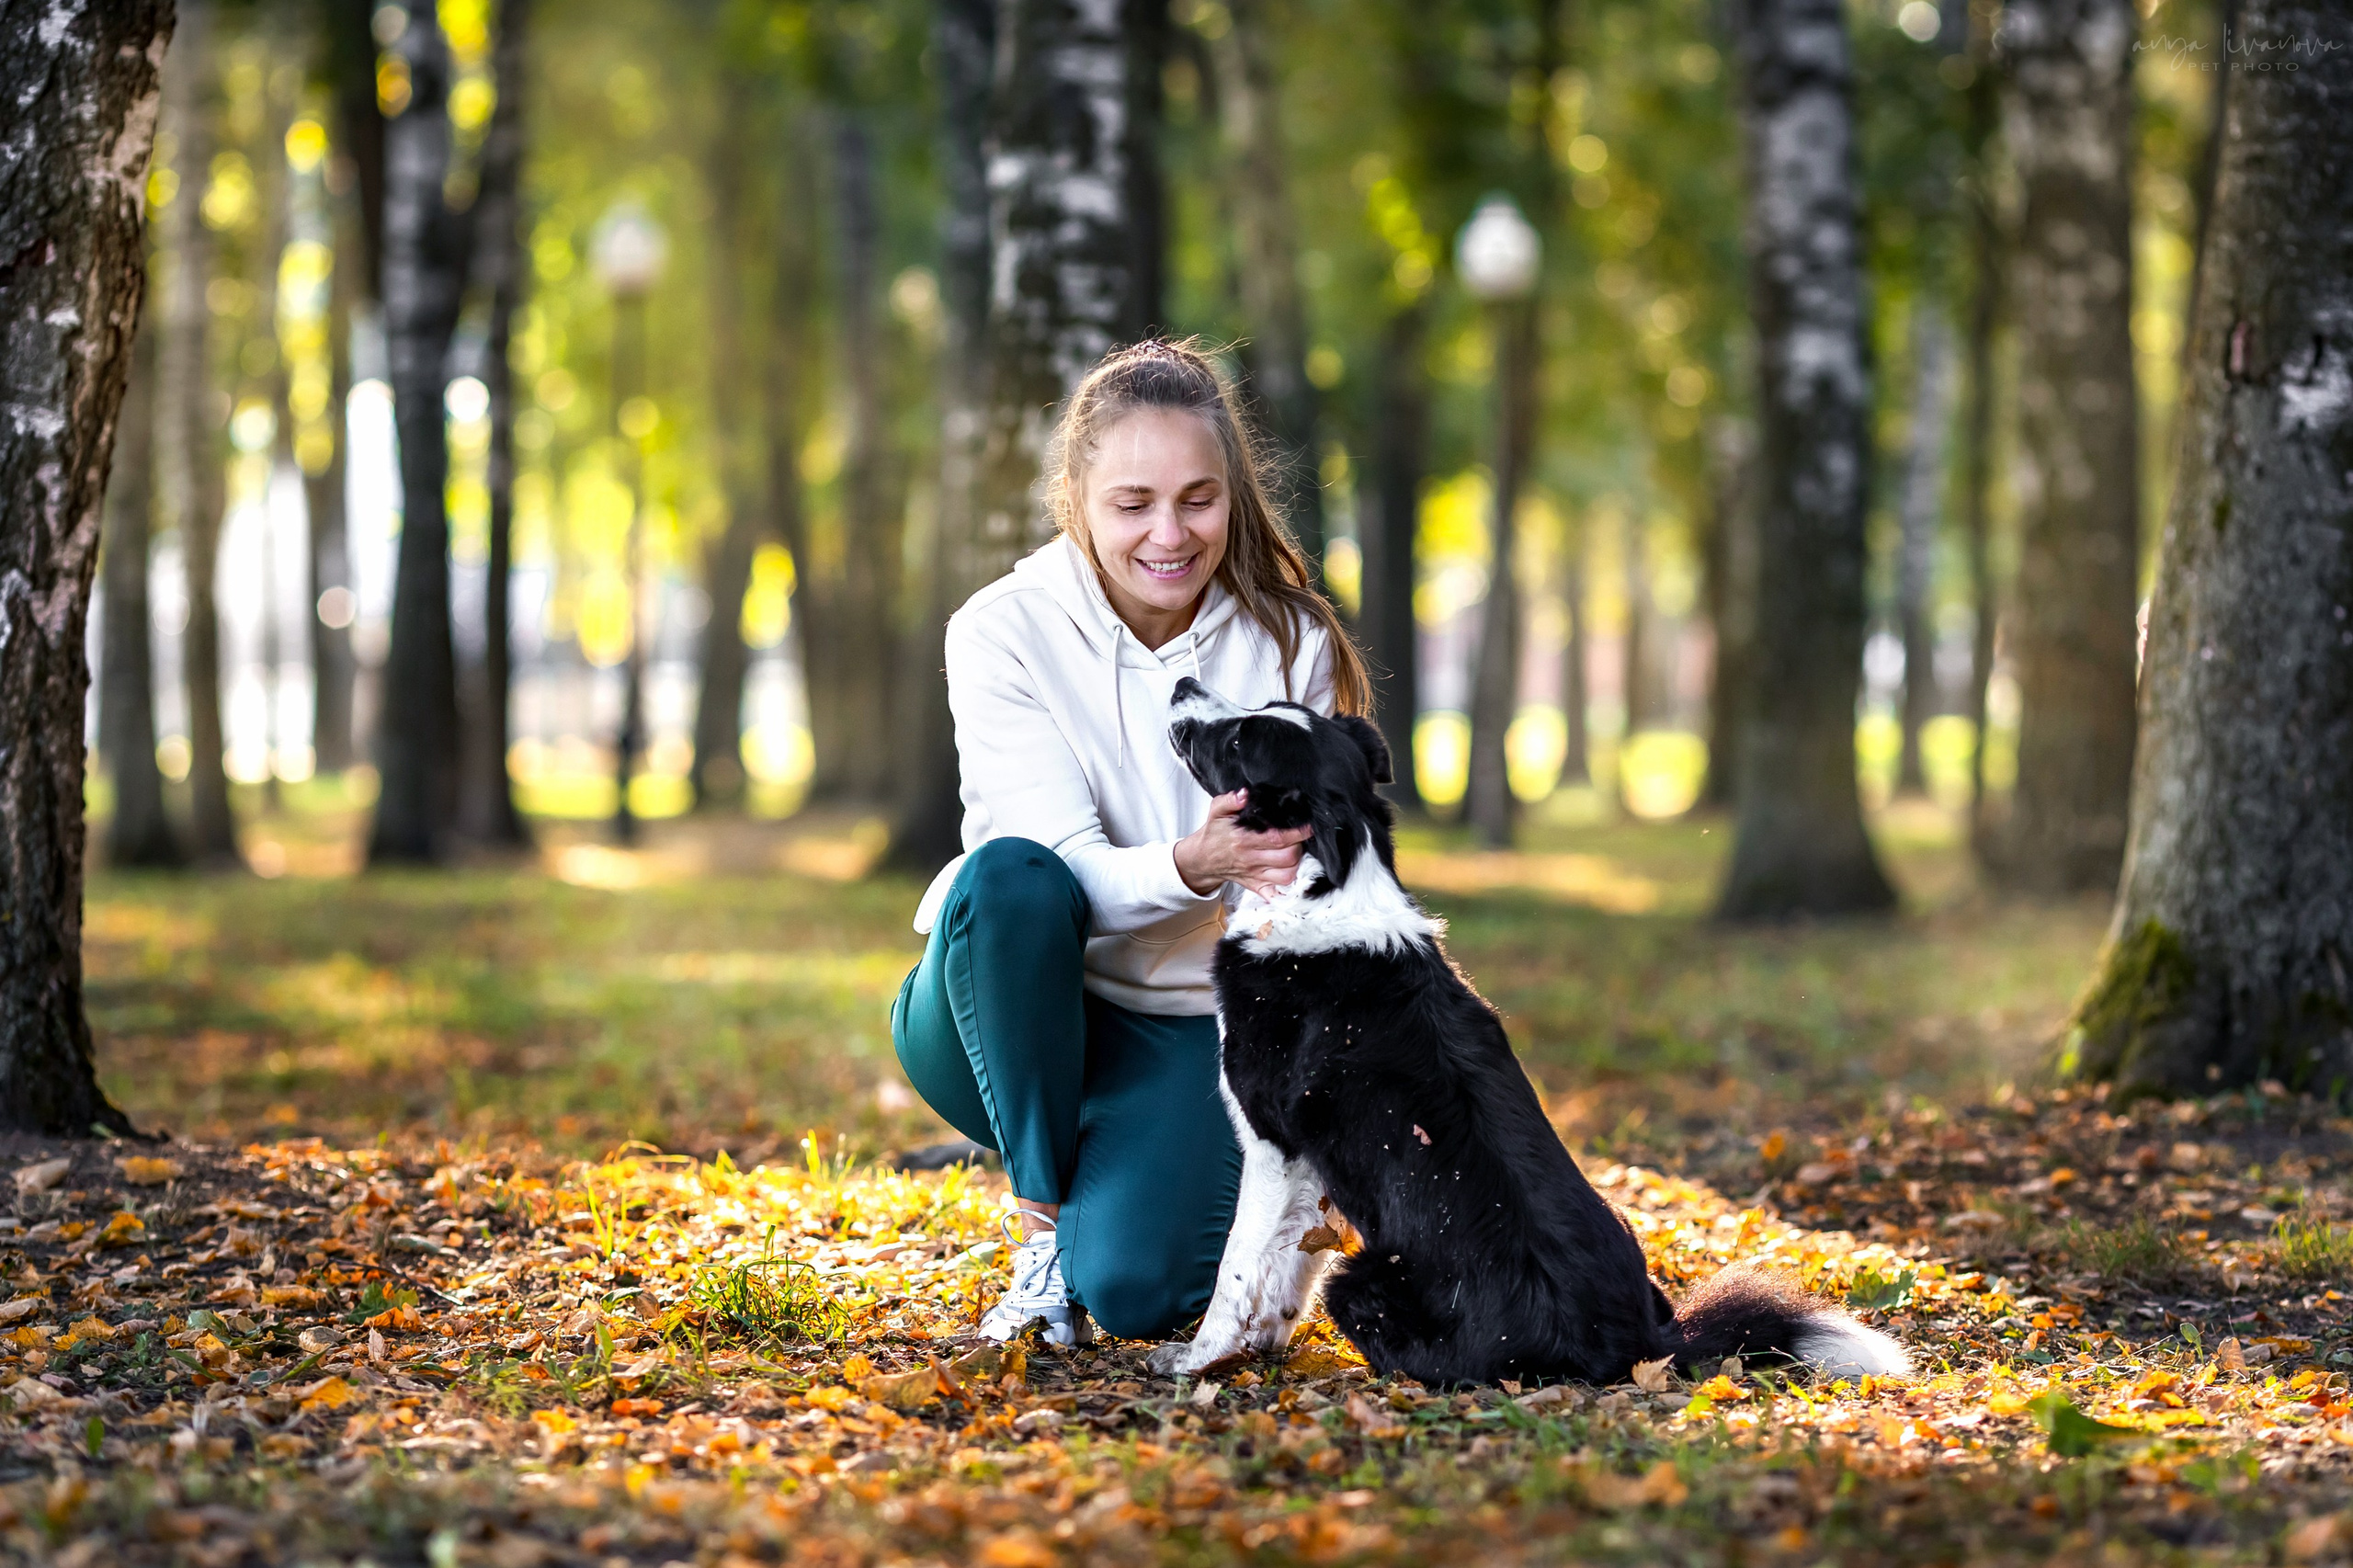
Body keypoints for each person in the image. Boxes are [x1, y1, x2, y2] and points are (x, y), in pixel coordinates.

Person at [890, 338, 1374, 1346]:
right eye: (1132, 502)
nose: (1169, 532)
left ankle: (1109, 1202)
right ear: (1076, 495)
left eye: (1198, 499)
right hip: (1006, 1003)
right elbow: (1047, 865)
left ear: (1232, 495)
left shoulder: (1290, 642)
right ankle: (1038, 1235)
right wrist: (1190, 866)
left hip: (1193, 1027)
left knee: (1144, 1291)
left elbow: (1307, 902)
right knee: (1012, 877)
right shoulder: (1000, 630)